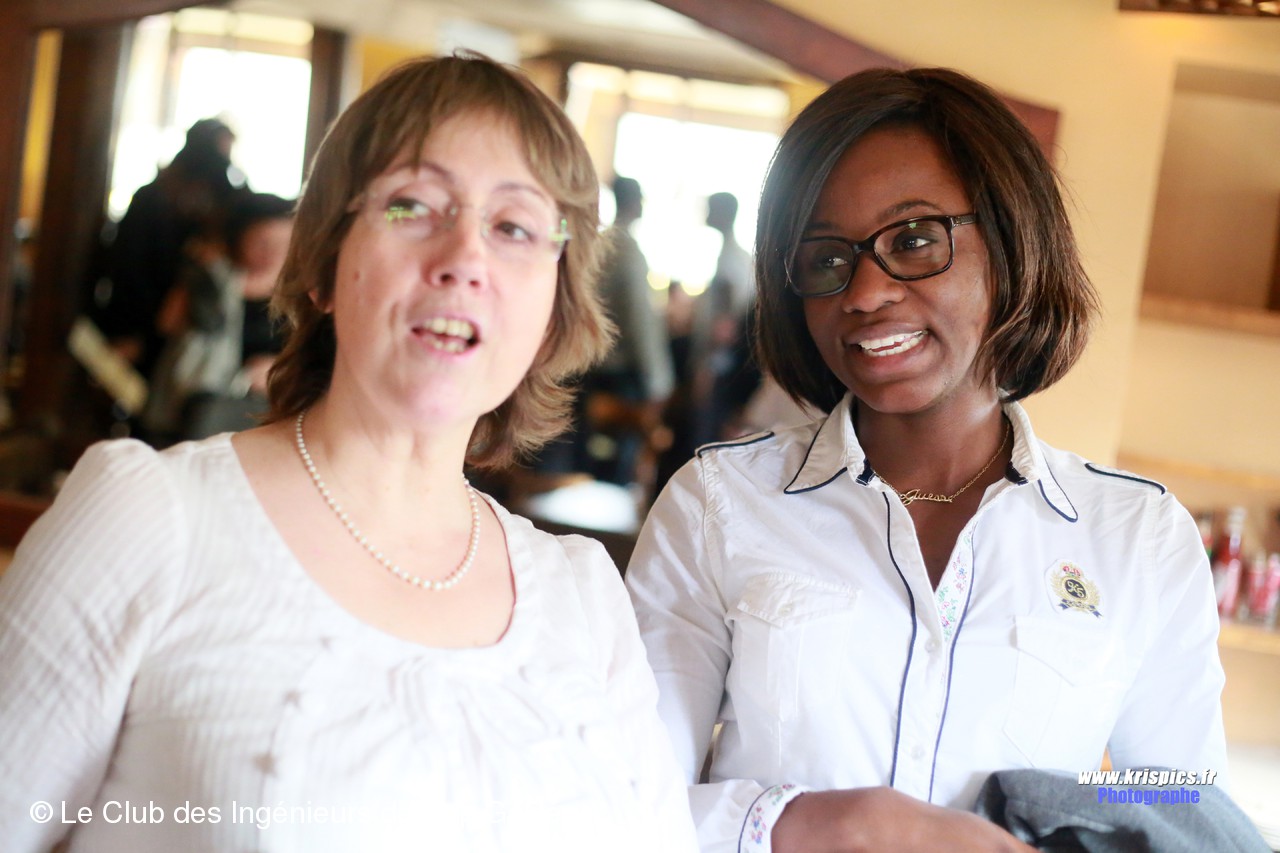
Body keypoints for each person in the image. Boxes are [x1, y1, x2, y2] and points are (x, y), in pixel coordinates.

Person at [0, 53, 698, 852]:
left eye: (513, 226)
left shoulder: (583, 597)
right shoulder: (152, 517)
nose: (465, 258)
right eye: (414, 205)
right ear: (325, 265)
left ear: (553, 306)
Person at [626, 67, 1229, 853]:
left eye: (912, 240)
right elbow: (625, 798)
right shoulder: (717, 505)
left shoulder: (1138, 535)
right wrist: (813, 824)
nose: (864, 292)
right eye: (825, 259)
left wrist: (1059, 819)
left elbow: (1183, 795)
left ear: (1009, 245)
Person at [95, 117, 247, 379]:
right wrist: (133, 332)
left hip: (191, 333)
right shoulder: (153, 198)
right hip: (145, 321)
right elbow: (129, 267)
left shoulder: (221, 200)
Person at [142, 191, 294, 444]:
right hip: (193, 412)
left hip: (263, 421)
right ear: (240, 237)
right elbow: (167, 324)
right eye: (263, 242)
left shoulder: (303, 298)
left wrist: (280, 371)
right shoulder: (209, 279)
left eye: (285, 244)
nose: (273, 253)